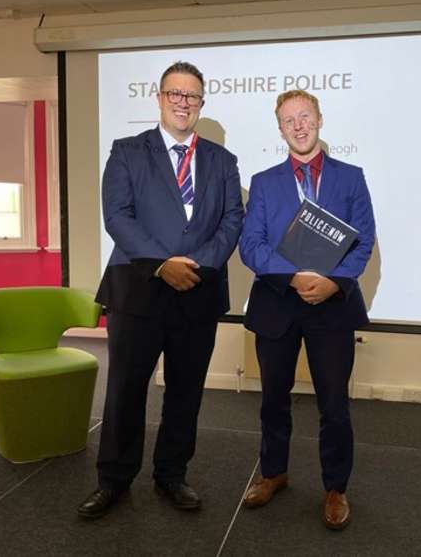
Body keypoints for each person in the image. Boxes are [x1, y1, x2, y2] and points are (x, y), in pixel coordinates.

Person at [77, 62, 243, 519]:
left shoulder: (223, 161)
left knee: (185, 392)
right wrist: (162, 264)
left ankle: (171, 474)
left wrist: (199, 264)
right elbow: (118, 216)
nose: (183, 102)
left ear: (201, 103)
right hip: (138, 290)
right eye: (176, 93)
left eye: (192, 96)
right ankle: (113, 479)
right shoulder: (128, 151)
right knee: (126, 390)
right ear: (160, 97)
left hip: (199, 290)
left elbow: (233, 221)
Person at [239, 89, 375, 530]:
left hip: (333, 308)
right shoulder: (264, 182)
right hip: (277, 305)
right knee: (273, 401)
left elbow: (364, 240)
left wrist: (333, 281)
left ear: (319, 119)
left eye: (305, 116)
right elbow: (251, 246)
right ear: (279, 129)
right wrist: (294, 277)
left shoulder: (351, 177)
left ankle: (336, 487)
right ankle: (273, 472)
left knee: (333, 406)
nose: (298, 125)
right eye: (288, 120)